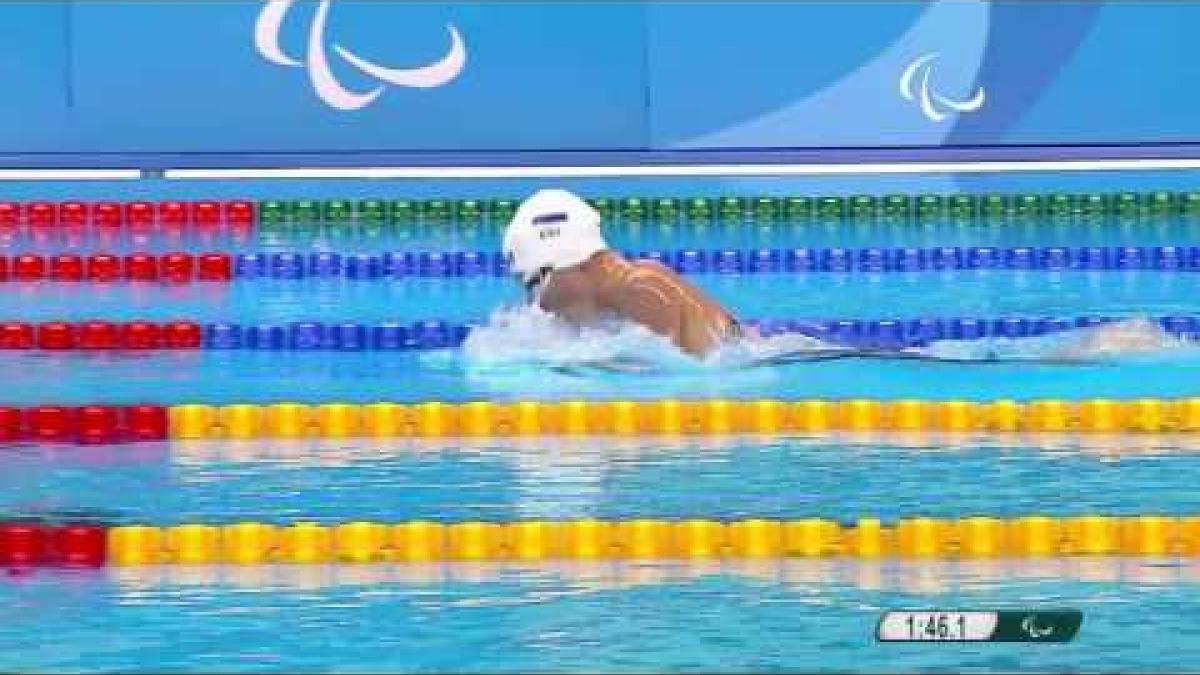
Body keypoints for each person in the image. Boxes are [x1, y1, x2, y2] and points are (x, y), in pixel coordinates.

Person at [503, 189, 741, 358]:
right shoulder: (620, 302)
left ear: (568, 263)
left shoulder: (642, 289)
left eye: (534, 285)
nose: (537, 304)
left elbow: (654, 379)